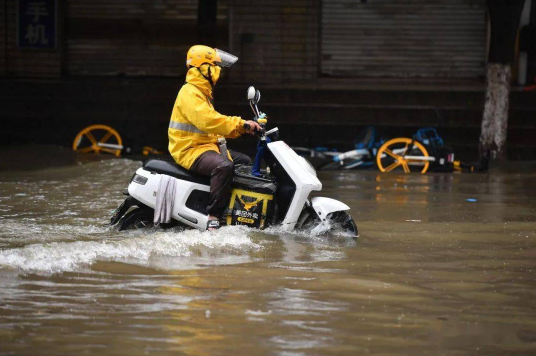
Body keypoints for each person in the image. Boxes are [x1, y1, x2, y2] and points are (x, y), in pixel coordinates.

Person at [168, 45, 261, 230]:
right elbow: (209, 121)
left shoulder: (202, 92)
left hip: (205, 145)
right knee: (224, 166)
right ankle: (213, 216)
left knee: (244, 161)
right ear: (205, 68)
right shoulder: (190, 93)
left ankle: (235, 209)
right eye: (215, 66)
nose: (219, 71)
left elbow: (212, 127)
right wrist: (240, 124)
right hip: (189, 150)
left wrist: (243, 129)